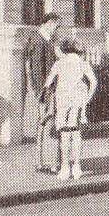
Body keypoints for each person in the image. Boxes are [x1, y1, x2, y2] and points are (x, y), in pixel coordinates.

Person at [43, 39, 96, 181]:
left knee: (64, 136)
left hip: (62, 102)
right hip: (78, 102)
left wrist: (49, 95)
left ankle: (65, 168)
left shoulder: (59, 63)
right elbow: (93, 82)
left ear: (65, 50)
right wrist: (87, 97)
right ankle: (77, 167)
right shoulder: (82, 63)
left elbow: (48, 82)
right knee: (76, 135)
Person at [27, 14, 62, 173]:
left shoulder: (46, 40)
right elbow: (36, 72)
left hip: (47, 91)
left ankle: (43, 162)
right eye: (56, 25)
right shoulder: (39, 40)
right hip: (44, 92)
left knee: (45, 127)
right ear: (48, 23)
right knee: (45, 127)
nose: (57, 29)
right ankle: (42, 162)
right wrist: (42, 94)